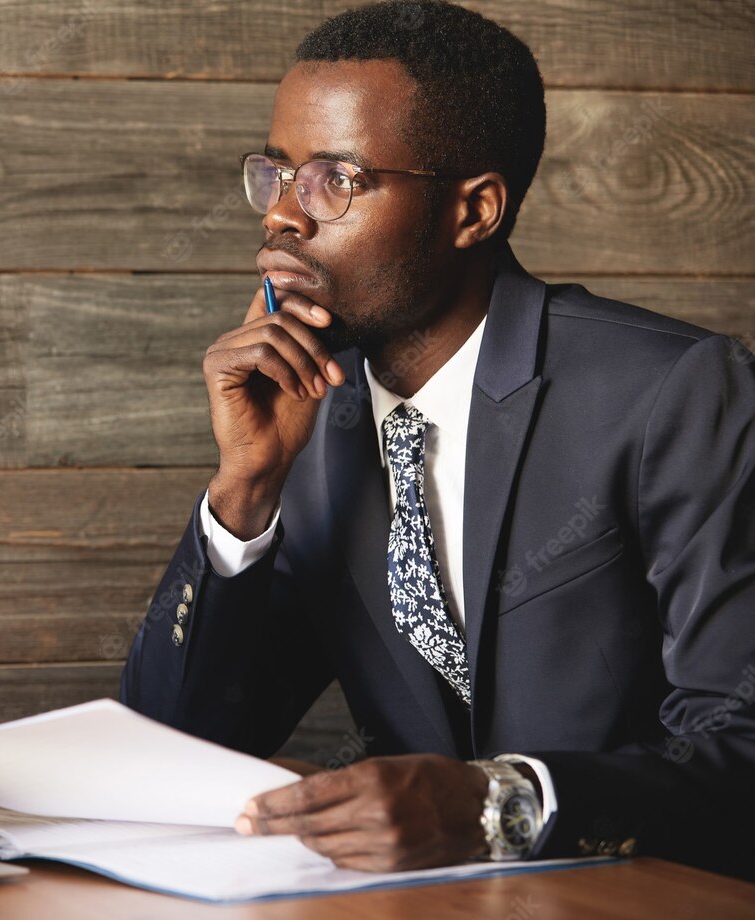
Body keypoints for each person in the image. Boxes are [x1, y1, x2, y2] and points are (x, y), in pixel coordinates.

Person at [120, 0, 755, 881]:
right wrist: (246, 490)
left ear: (474, 211)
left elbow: (742, 747)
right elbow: (172, 752)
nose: (282, 219)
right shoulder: (315, 424)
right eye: (277, 175)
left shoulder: (670, 394)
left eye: (333, 180)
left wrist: (501, 803)